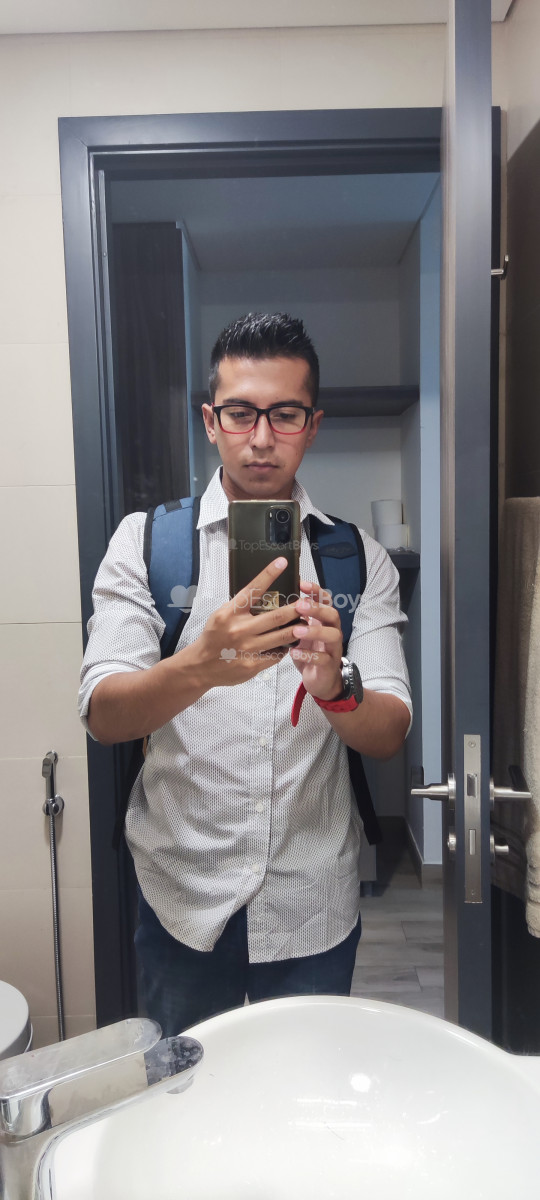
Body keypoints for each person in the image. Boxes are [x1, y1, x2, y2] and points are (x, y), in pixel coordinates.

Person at [79, 312, 411, 1035]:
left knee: (303, 1095)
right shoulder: (146, 544)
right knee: (185, 1092)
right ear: (211, 421)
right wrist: (199, 666)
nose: (261, 438)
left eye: (284, 414)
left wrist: (336, 689)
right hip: (181, 900)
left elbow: (389, 732)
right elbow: (104, 713)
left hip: (312, 907)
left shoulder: (358, 560)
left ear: (312, 425)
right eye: (240, 413)